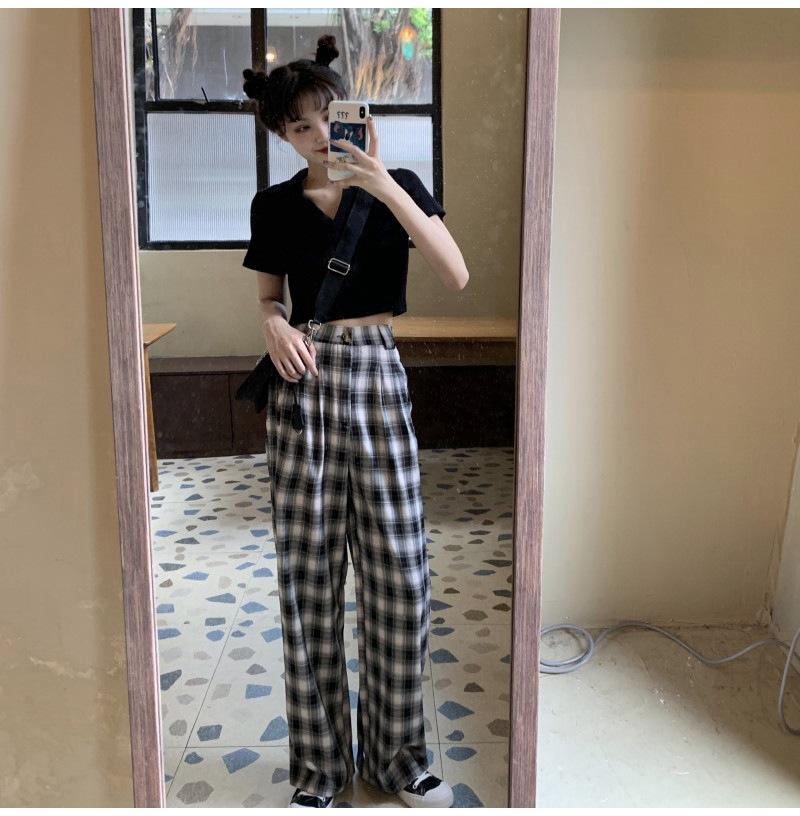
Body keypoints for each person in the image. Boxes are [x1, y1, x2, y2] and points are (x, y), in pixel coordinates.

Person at [241, 33, 467, 809]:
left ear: (356, 112)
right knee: (308, 582)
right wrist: (272, 324)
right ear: (282, 135)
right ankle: (320, 772)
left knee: (400, 574)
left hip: (376, 374)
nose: (318, 134)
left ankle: (399, 759)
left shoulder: (399, 186)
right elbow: (269, 298)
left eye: (328, 116)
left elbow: (455, 272)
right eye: (299, 125)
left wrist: (382, 182)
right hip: (303, 382)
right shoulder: (274, 206)